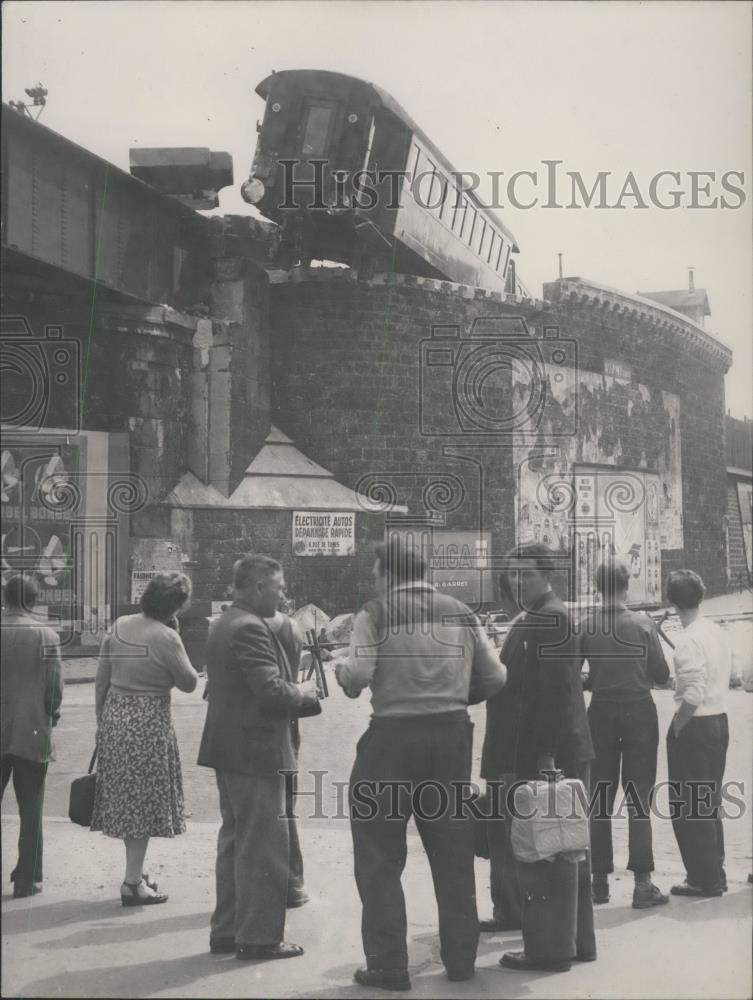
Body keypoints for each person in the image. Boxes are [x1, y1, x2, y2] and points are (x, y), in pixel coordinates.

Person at [335, 538, 507, 991]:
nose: (375, 582)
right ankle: (462, 960)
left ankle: (389, 964)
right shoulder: (462, 612)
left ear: (389, 574)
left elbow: (357, 675)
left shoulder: (374, 612)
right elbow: (495, 676)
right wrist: (452, 695)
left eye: (375, 574)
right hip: (450, 740)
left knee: (378, 856)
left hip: (391, 741)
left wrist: (341, 675)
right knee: (453, 851)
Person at [480, 543, 596, 972]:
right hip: (550, 751)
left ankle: (548, 949)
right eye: (513, 574)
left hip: (550, 755)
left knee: (548, 854)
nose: (517, 581)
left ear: (548, 575)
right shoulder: (541, 617)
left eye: (526, 574)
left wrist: (547, 760)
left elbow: (558, 696)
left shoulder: (551, 618)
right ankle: (576, 942)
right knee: (565, 850)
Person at [198, 555, 320, 961]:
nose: (285, 595)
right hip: (258, 749)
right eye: (280, 587)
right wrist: (303, 695)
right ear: (258, 587)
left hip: (230, 747)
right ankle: (260, 939)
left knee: (235, 841)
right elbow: (268, 689)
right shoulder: (251, 627)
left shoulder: (224, 623)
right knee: (265, 846)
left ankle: (227, 931)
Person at [91, 572, 198, 906]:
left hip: (114, 716)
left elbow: (101, 680)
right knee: (143, 804)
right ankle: (132, 883)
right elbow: (189, 682)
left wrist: (102, 723)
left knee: (128, 802)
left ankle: (136, 869)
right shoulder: (166, 636)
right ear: (175, 606)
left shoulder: (120, 625)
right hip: (149, 722)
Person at [579, 559, 670, 908]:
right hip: (639, 713)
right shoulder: (643, 623)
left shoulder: (586, 626)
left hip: (600, 712)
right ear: (626, 585)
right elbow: (660, 674)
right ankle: (643, 884)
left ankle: (599, 882)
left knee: (599, 799)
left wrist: (594, 679)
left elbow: (574, 676)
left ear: (597, 587)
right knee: (639, 798)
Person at [665, 569, 731, 897]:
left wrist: (678, 725)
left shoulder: (688, 640)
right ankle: (714, 871)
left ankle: (702, 878)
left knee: (689, 806)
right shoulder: (715, 631)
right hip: (719, 720)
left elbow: (692, 694)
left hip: (696, 724)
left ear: (672, 601)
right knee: (709, 800)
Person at [1, 573, 63, 898]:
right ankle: (27, 878)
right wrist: (49, 716)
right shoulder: (47, 636)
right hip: (31, 730)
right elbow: (54, 691)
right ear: (34, 600)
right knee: (31, 808)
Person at [266, 605, 309, 908]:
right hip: (287, 724)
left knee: (271, 809)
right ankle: (293, 880)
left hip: (264, 727)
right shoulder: (292, 627)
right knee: (285, 807)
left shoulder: (251, 627)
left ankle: (285, 883)